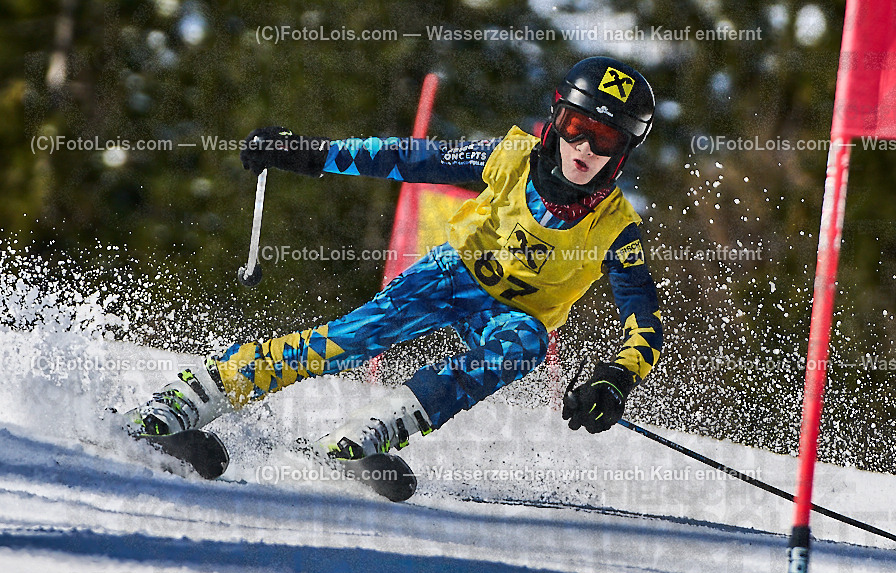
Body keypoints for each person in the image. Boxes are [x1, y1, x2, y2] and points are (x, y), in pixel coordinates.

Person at [125, 56, 663, 464]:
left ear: (623, 152)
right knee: (349, 340)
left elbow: (644, 323)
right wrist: (311, 154)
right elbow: (407, 158)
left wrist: (616, 379)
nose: (585, 149)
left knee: (523, 343)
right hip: (452, 276)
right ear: (557, 119)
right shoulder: (509, 158)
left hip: (511, 317)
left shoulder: (617, 230)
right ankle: (192, 397)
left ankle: (369, 432)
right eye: (578, 128)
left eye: (606, 139)